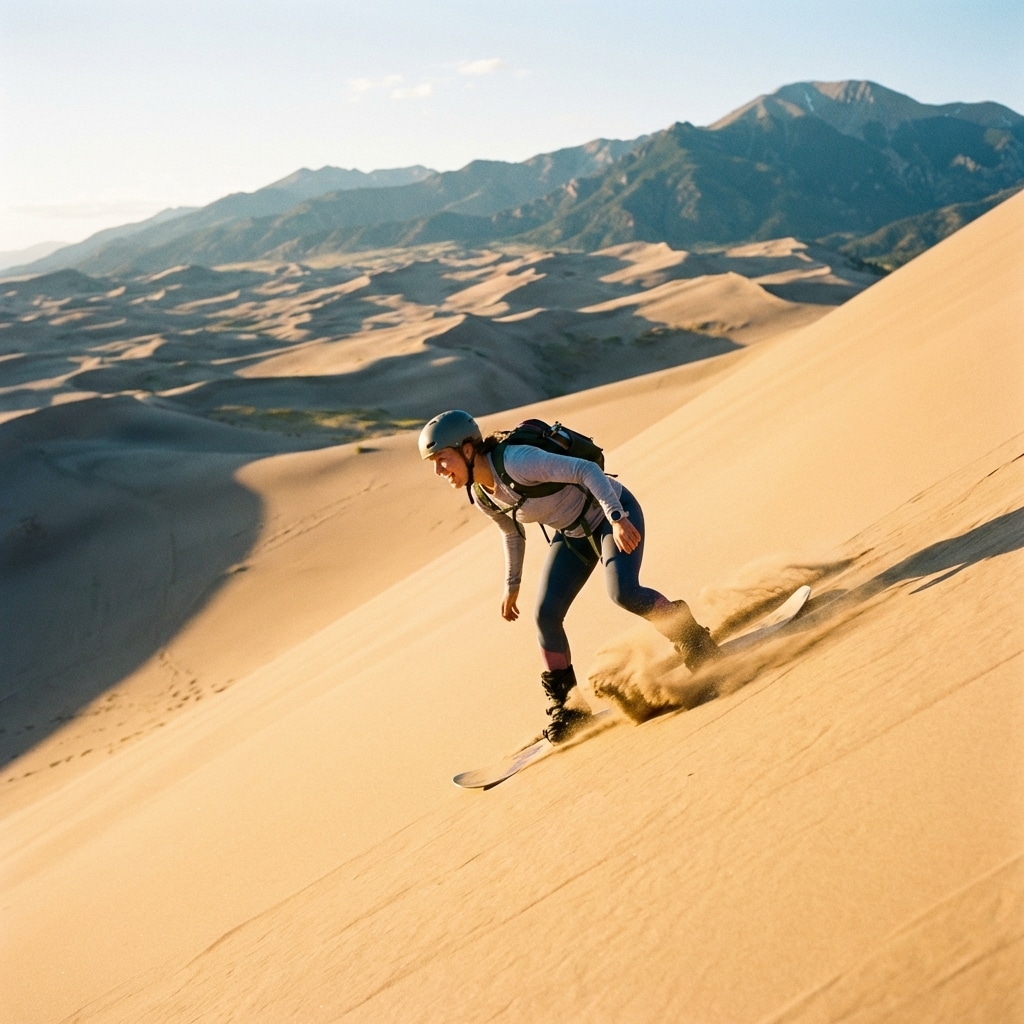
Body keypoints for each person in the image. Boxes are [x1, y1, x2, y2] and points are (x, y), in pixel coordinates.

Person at [418, 409, 721, 742]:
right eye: (432, 462)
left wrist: (617, 518)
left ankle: (693, 640)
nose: (438, 470)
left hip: (613, 514)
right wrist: (512, 586)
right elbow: (511, 533)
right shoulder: (480, 493)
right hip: (574, 535)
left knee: (624, 592)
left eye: (442, 459)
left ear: (467, 449)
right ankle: (570, 708)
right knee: (545, 616)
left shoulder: (517, 461)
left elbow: (586, 469)